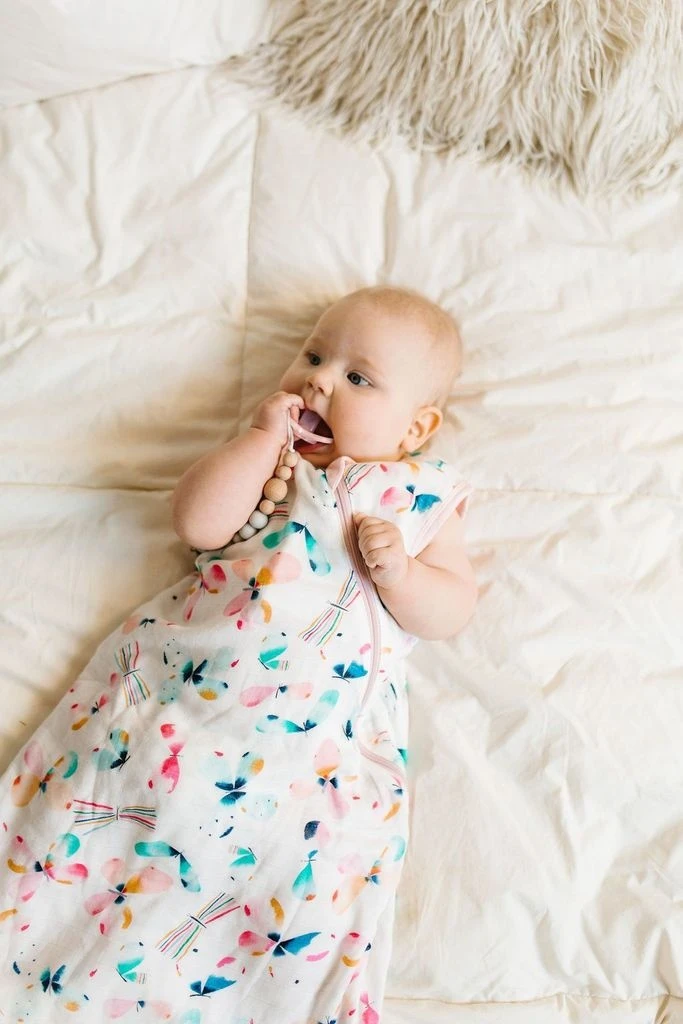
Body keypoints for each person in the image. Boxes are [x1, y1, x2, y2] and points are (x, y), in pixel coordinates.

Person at [0, 285, 477, 1023]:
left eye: (357, 377)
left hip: (315, 751)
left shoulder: (421, 497)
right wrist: (257, 440)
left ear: (417, 426)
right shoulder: (269, 464)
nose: (319, 380)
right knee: (126, 812)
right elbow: (197, 524)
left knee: (295, 877)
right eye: (313, 356)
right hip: (193, 695)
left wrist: (407, 577)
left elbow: (453, 609)